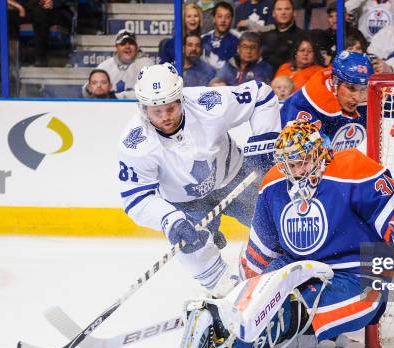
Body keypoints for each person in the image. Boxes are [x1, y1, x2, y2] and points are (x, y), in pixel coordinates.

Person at [176, 120, 394, 348]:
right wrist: (237, 293)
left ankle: (262, 334)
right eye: (289, 165)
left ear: (320, 153)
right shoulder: (275, 182)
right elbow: (262, 250)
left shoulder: (351, 169)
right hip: (295, 269)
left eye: (302, 162)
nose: (296, 172)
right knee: (262, 290)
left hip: (357, 275)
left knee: (291, 306)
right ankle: (235, 323)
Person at [117, 63, 280, 298]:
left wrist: (264, 150)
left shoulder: (208, 103)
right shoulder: (135, 143)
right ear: (143, 109)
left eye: (170, 107)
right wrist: (171, 221)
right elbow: (137, 199)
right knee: (187, 244)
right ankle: (225, 290)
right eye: (156, 111)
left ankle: (288, 276)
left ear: (180, 98)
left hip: (236, 178)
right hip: (186, 204)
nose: (165, 117)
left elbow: (260, 95)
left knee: (276, 224)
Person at [280, 51, 373, 152]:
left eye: (363, 89)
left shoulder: (368, 95)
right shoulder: (309, 102)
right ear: (335, 82)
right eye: (351, 88)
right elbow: (297, 157)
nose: (357, 98)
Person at [95, 30, 154, 98]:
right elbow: (89, 91)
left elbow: (151, 92)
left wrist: (118, 97)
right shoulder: (104, 66)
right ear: (116, 47)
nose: (127, 46)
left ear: (137, 47)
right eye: (123, 44)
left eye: (131, 43)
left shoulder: (147, 65)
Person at [261, 0, 305, 73]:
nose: (283, 13)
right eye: (279, 9)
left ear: (294, 13)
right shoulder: (265, 37)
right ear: (273, 14)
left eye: (287, 9)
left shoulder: (303, 37)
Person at [27, 0, 73, 67]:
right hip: (39, 10)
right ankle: (40, 58)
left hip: (60, 10)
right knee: (40, 15)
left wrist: (53, 3)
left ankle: (41, 57)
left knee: (40, 16)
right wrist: (41, 3)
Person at [201, 2, 240, 71]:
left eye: (227, 17)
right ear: (213, 18)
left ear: (232, 19)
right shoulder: (203, 39)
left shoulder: (239, 39)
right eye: (219, 16)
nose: (223, 20)